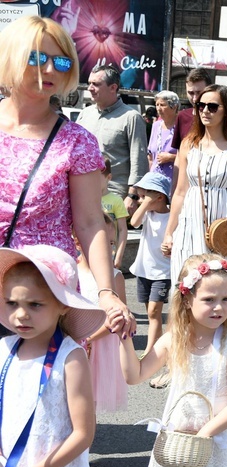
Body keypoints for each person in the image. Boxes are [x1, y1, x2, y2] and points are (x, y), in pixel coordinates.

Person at [0, 16, 133, 337]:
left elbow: (89, 223)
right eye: (36, 58)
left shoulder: (76, 141)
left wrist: (106, 291)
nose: (49, 70)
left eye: (59, 62)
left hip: (40, 296)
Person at [118, 254, 227, 467]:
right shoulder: (173, 340)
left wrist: (207, 432)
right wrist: (124, 338)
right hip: (178, 440)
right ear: (188, 300)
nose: (219, 307)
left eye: (226, 299)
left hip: (217, 439)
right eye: (209, 300)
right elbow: (134, 375)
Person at [0, 245, 105, 467]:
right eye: (11, 303)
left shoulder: (70, 357)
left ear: (63, 306)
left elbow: (83, 434)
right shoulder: (3, 348)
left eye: (35, 304)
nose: (21, 315)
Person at [162, 84, 227, 310]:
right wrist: (169, 232)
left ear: (226, 110)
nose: (205, 110)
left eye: (212, 106)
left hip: (225, 230)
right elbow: (180, 192)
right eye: (200, 105)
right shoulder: (189, 144)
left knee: (224, 293)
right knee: (188, 292)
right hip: (189, 225)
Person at [77, 64, 149, 209]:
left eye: (96, 84)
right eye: (89, 83)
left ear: (113, 87)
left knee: (110, 232)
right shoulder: (85, 114)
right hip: (82, 191)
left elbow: (139, 160)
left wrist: (132, 196)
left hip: (114, 195)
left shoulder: (131, 117)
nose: (90, 88)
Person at [76, 214, 129, 413]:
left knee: (90, 403)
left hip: (99, 344)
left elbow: (118, 317)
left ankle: (87, 441)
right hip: (73, 339)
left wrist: (90, 338)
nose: (108, 248)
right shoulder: (71, 271)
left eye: (112, 243)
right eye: (102, 242)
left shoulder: (116, 277)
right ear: (78, 241)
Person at [130, 172, 172, 357]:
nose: (141, 201)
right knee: (150, 313)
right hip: (144, 269)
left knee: (155, 311)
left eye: (144, 196)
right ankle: (159, 344)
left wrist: (170, 246)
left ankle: (150, 352)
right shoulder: (147, 214)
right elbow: (134, 221)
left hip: (163, 271)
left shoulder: (172, 216)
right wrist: (146, 203)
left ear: (159, 196)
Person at [170, 68, 212, 189]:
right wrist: (174, 189)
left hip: (212, 184)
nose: (194, 98)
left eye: (199, 93)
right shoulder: (182, 116)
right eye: (190, 93)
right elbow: (179, 156)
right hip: (186, 185)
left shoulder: (219, 117)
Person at [99, 158, 129, 269]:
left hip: (109, 252)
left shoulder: (116, 200)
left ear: (109, 178)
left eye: (97, 179)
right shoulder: (87, 199)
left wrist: (119, 256)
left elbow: (122, 230)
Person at [147, 90, 179, 181]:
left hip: (173, 181)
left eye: (162, 105)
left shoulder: (181, 126)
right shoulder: (156, 125)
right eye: (157, 105)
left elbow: (191, 157)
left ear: (174, 107)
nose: (158, 108)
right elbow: (150, 156)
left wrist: (172, 158)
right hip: (154, 181)